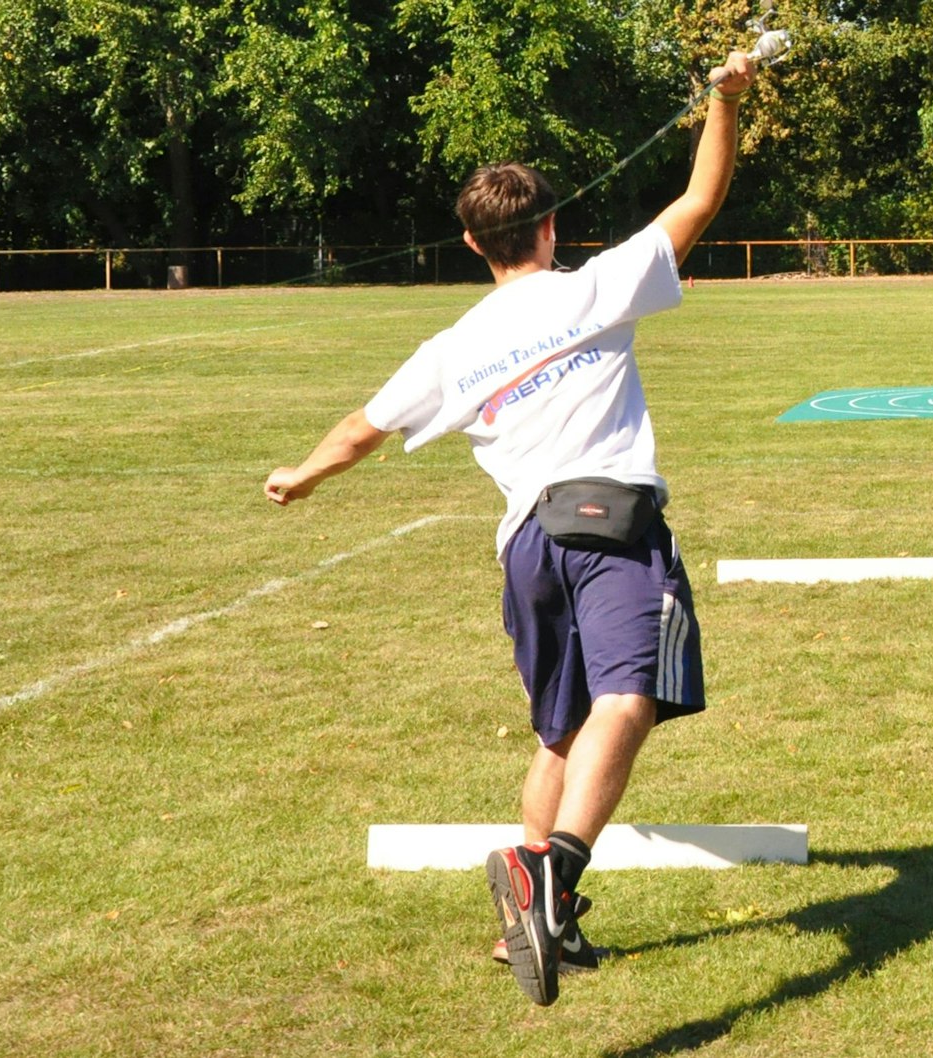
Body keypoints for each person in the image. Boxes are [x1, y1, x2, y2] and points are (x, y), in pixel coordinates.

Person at [263, 49, 758, 1008]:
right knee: (629, 700)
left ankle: (532, 929)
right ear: (550, 227)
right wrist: (724, 104)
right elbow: (700, 199)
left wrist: (302, 476)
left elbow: (364, 429)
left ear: (472, 243)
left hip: (527, 548)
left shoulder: (452, 347)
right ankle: (555, 874)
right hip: (611, 523)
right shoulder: (595, 287)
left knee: (561, 732)